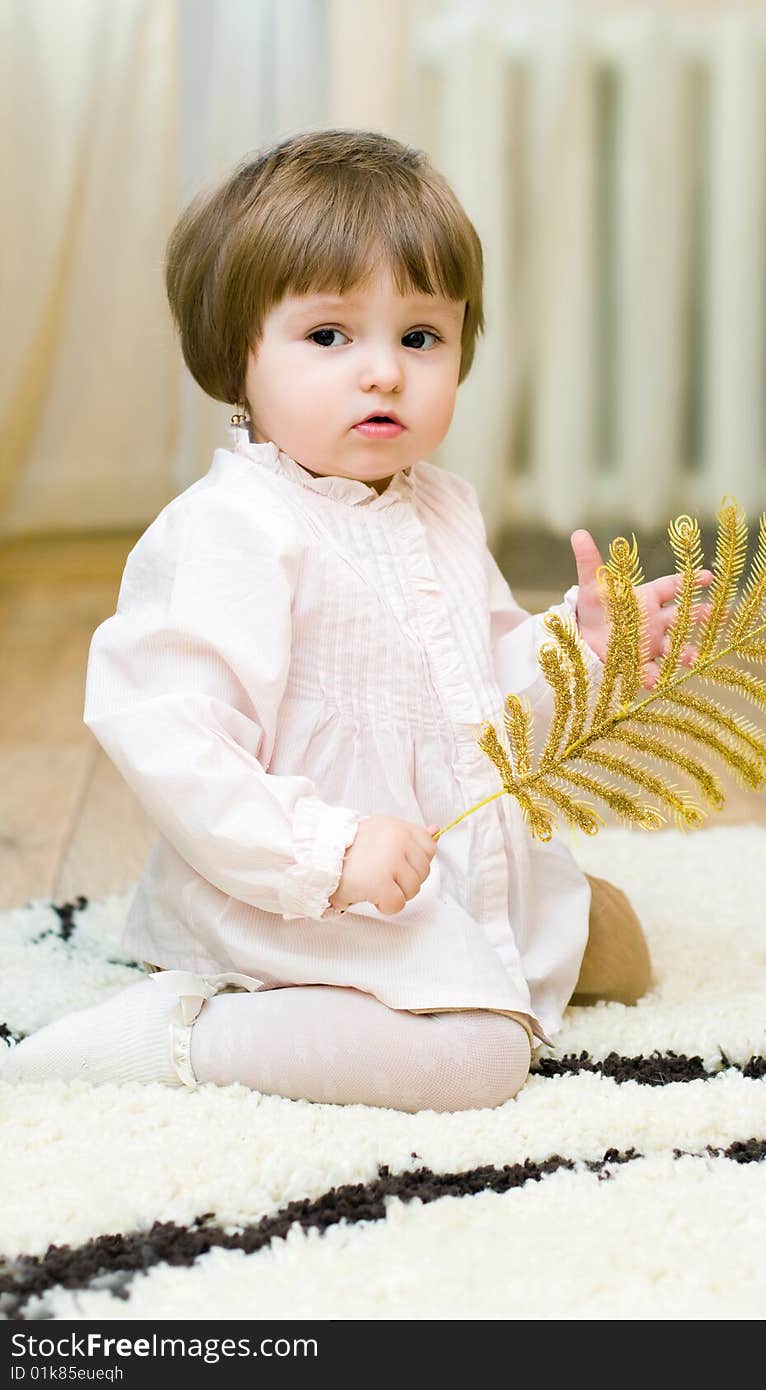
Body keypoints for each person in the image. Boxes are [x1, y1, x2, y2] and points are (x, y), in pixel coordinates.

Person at [1, 129, 712, 1111]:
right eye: (330, 336)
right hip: (297, 889)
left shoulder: (443, 506)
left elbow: (487, 690)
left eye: (420, 337)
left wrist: (578, 653)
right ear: (235, 356)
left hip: (444, 862)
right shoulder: (230, 532)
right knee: (476, 1057)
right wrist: (328, 854)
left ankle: (465, 957)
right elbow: (173, 739)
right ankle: (186, 1034)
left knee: (614, 942)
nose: (382, 372)